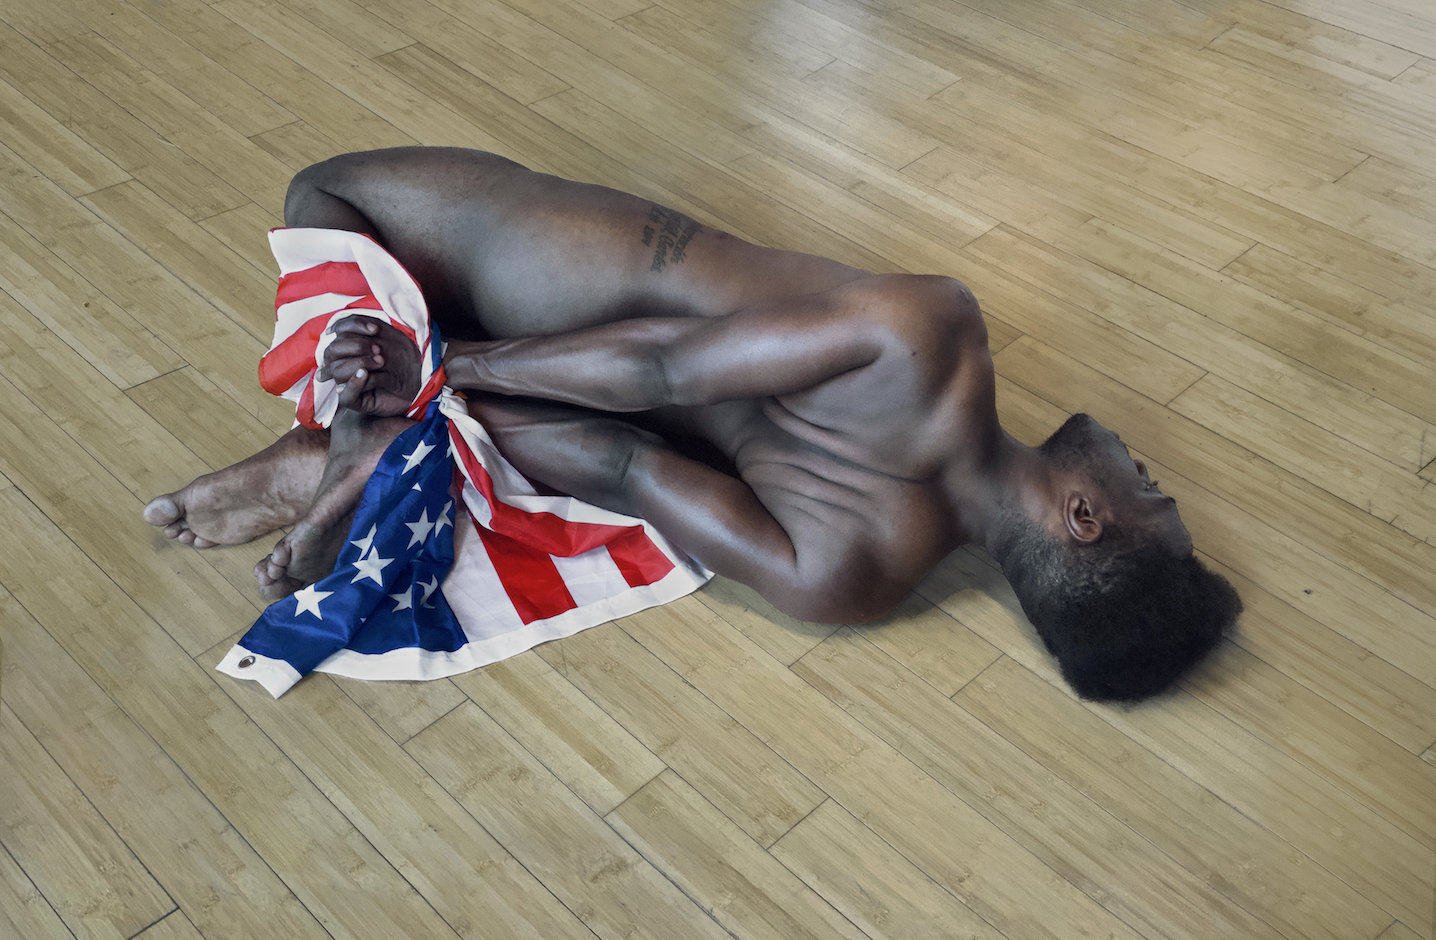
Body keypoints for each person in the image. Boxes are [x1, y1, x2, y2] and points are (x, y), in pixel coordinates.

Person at [144, 147, 1239, 702]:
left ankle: (360, 434)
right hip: (565, 389)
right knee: (612, 436)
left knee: (324, 192)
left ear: (1083, 517)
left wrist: (439, 364)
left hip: (557, 277)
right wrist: (459, 412)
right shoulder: (850, 579)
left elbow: (660, 354)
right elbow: (621, 464)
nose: (1152, 473)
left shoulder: (935, 334)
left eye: (1154, 496)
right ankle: (380, 452)